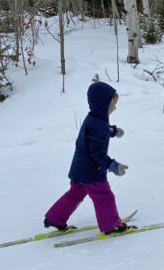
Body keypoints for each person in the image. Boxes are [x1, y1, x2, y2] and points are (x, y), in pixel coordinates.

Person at [44, 81, 135, 234]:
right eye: (112, 105)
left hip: (81, 168)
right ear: (102, 105)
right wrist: (112, 165)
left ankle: (55, 218)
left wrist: (112, 131)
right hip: (92, 171)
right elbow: (97, 152)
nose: (115, 108)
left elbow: (97, 134)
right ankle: (111, 225)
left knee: (76, 193)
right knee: (104, 196)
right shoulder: (98, 123)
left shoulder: (95, 118)